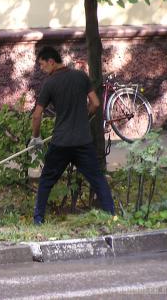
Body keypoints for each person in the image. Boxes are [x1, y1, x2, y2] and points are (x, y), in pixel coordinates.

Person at [30, 46, 114, 225]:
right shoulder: (81, 76)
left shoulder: (50, 84)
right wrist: (85, 116)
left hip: (61, 143)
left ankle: (38, 221)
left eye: (43, 65)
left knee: (46, 181)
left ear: (51, 62)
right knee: (97, 179)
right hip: (83, 141)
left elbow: (37, 115)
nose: (43, 70)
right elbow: (96, 103)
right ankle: (111, 216)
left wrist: (35, 138)